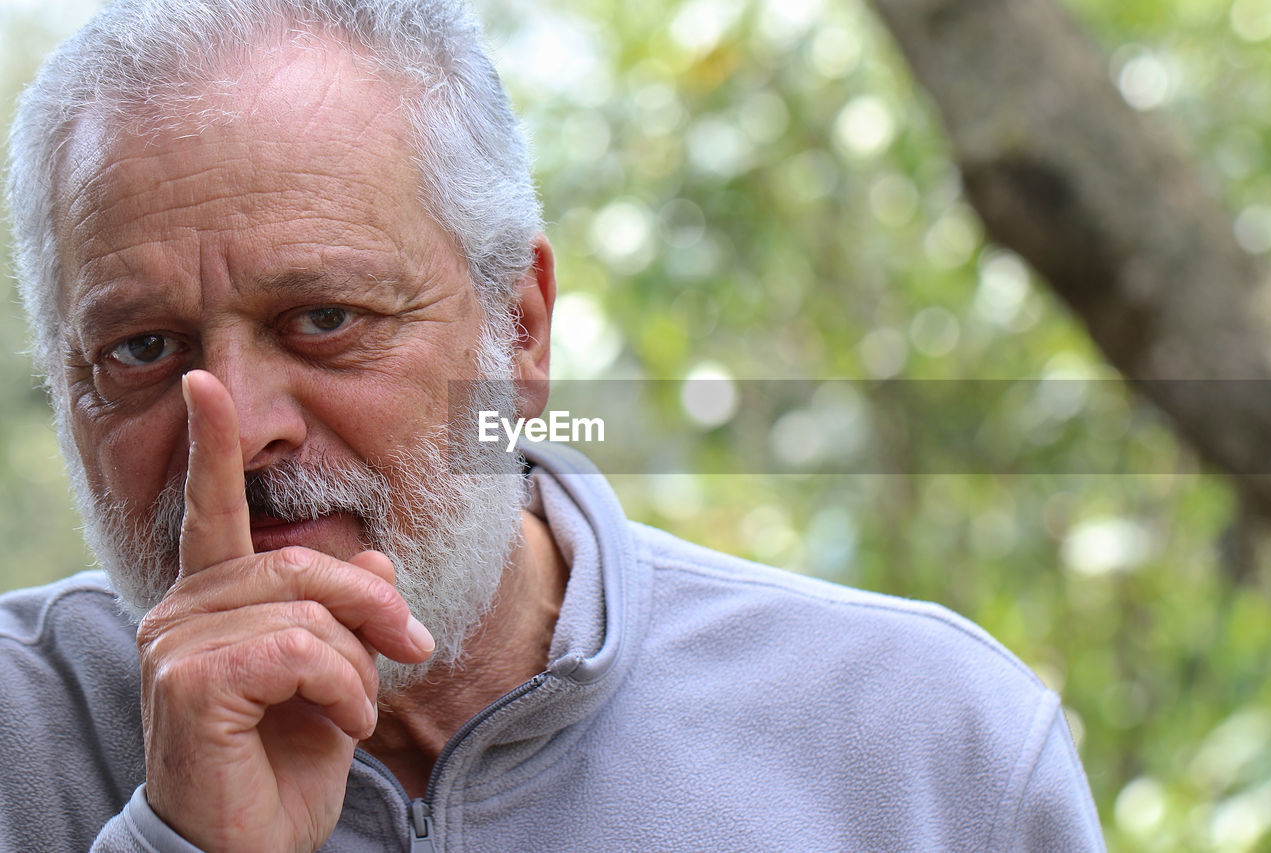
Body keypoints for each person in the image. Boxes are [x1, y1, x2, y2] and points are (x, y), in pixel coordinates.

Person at [0, 1, 1105, 850]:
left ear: (517, 332)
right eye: (140, 349)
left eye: (325, 319)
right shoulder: (21, 736)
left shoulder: (922, 744)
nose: (234, 428)